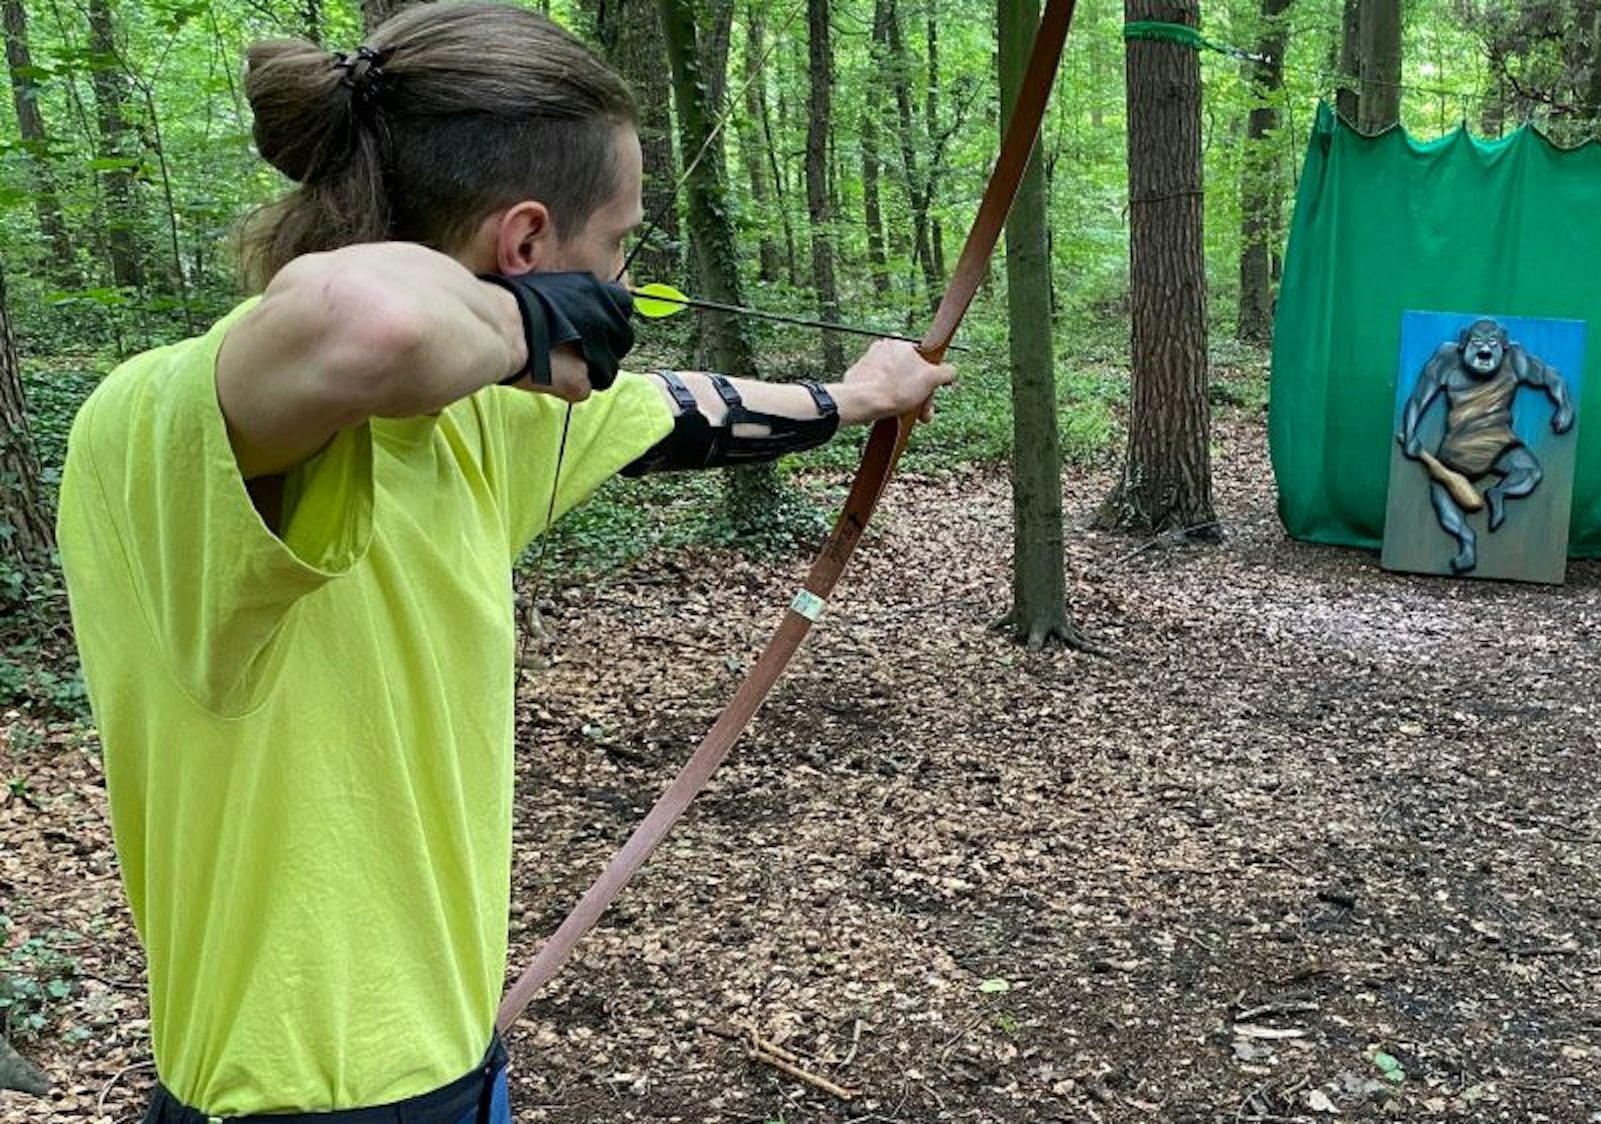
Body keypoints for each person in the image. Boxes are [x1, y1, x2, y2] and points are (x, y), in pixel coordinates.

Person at [54, 4, 953, 1121]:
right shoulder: (161, 425)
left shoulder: (481, 422)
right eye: (617, 243)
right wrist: (531, 326)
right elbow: (367, 323)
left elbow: (684, 411)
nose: (621, 279)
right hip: (296, 1094)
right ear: (527, 247)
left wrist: (858, 396)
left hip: (449, 1060)